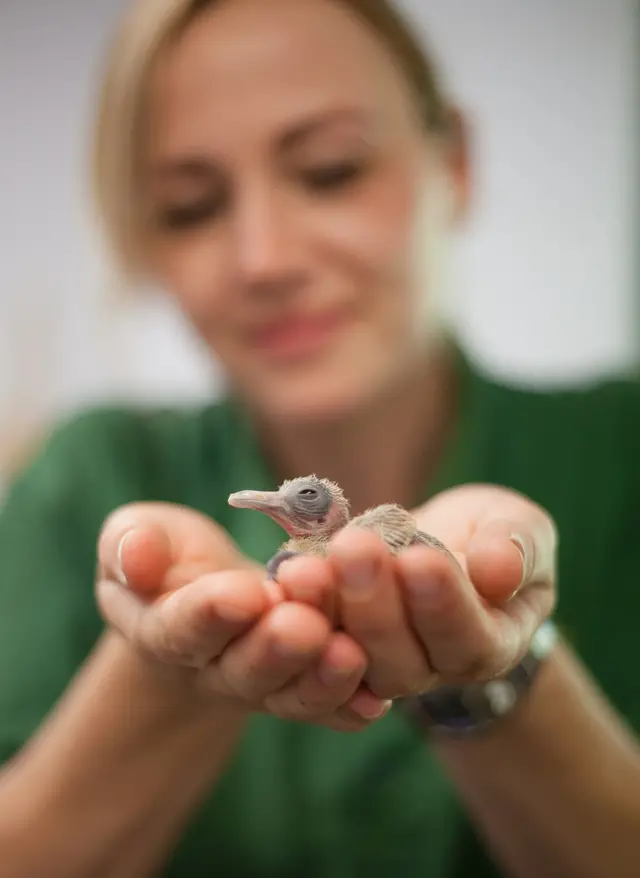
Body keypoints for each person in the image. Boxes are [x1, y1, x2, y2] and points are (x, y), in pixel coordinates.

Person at [0, 0, 638, 875]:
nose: (264, 258)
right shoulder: (83, 480)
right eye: (191, 207)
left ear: (453, 163)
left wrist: (499, 674)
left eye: (331, 170)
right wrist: (164, 679)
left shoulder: (621, 452)